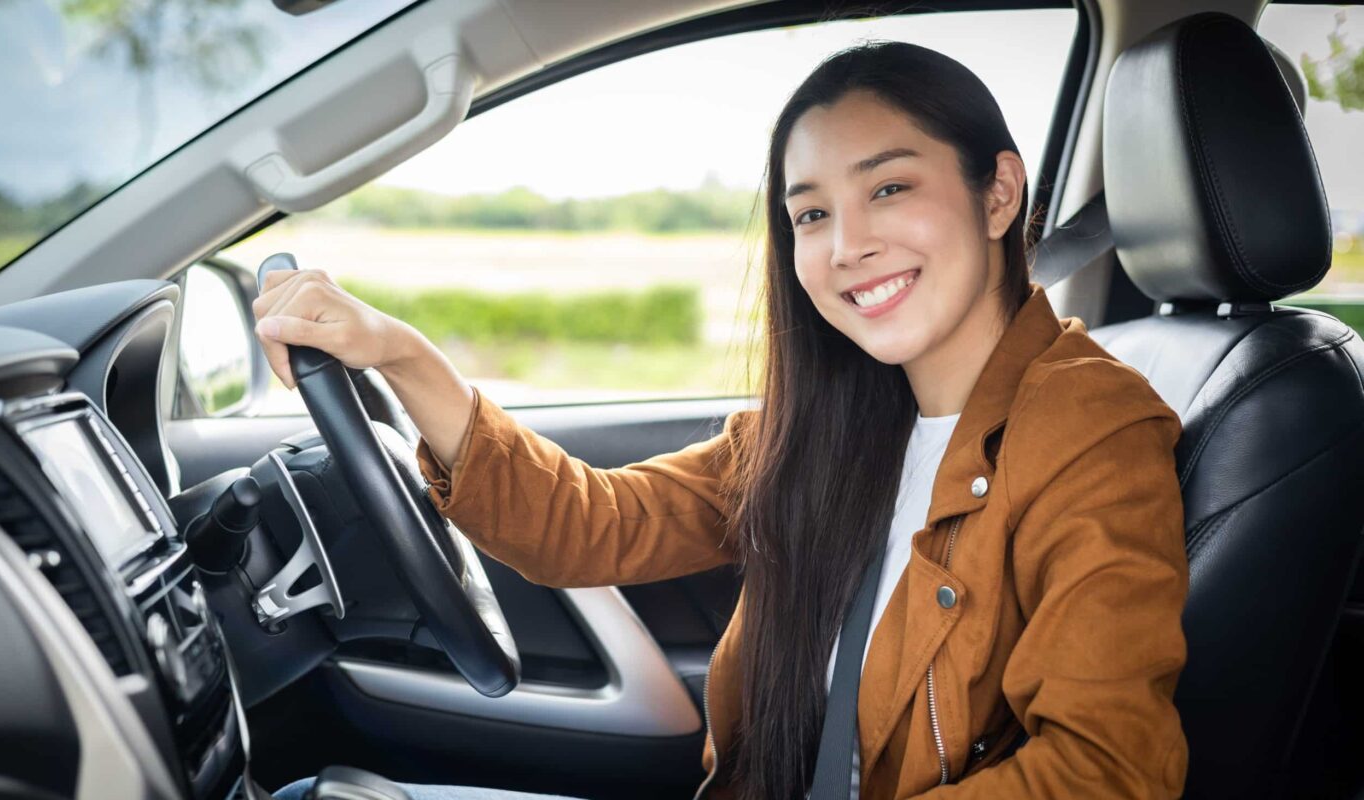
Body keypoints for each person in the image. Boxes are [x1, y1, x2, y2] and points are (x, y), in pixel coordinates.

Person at [256, 41, 1189, 800]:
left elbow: (1109, 771)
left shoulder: (1092, 430)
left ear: (998, 192)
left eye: (890, 188)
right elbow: (592, 526)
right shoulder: (833, 421)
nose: (846, 245)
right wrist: (405, 356)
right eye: (810, 214)